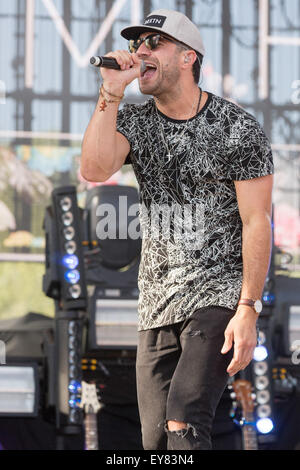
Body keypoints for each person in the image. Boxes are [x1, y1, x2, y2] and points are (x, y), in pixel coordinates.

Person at [81, 9, 274, 450]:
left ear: (188, 58)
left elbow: (256, 221)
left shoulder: (236, 128)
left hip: (218, 295)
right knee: (154, 444)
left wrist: (249, 307)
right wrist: (111, 90)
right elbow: (93, 168)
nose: (140, 52)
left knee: (183, 424)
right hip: (156, 303)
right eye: (136, 45)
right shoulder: (135, 122)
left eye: (154, 43)